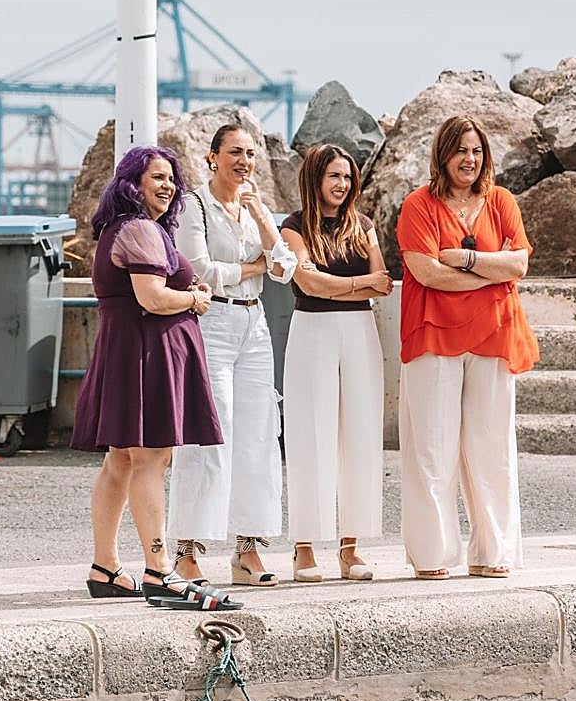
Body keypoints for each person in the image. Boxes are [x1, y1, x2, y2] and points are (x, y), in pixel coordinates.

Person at [72, 145, 242, 612]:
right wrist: (194, 300)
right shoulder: (141, 229)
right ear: (133, 182)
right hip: (145, 354)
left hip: (127, 351)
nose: (167, 186)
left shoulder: (119, 230)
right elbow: (151, 297)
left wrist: (185, 293)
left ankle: (104, 567)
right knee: (151, 461)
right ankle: (160, 571)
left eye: (172, 179)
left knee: (121, 463)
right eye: (157, 178)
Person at [396, 114, 539, 580]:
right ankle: (432, 555)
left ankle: (492, 550)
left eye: (476, 150)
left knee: (491, 445)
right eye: (460, 150)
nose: (470, 159)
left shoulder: (501, 202)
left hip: (495, 335)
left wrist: (468, 258)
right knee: (432, 449)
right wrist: (488, 273)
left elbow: (517, 266)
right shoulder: (418, 205)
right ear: (443, 155)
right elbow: (426, 273)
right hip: (433, 335)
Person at [168, 125, 297, 587]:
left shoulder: (254, 207)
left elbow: (284, 269)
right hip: (212, 323)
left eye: (250, 153)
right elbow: (198, 269)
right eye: (235, 152)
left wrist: (263, 220)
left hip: (254, 324)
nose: (244, 161)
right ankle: (186, 550)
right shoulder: (193, 205)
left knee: (260, 435)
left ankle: (248, 550)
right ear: (212, 157)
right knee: (208, 433)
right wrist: (251, 268)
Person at [280, 144, 391, 583]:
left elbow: (382, 284)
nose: (342, 184)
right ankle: (304, 546)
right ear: (314, 180)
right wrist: (357, 283)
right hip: (312, 331)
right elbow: (306, 281)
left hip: (360, 331)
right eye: (333, 177)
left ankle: (351, 546)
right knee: (310, 433)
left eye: (347, 176)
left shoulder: (363, 225)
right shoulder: (293, 226)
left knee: (360, 433)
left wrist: (342, 286)